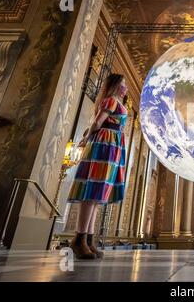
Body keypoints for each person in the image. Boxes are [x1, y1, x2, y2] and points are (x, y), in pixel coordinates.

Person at [67, 73, 128, 259]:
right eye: (123, 84)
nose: (125, 88)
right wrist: (86, 137)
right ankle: (79, 240)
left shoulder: (116, 102)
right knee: (92, 191)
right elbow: (97, 122)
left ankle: (88, 240)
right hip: (105, 144)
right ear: (116, 85)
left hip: (112, 144)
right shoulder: (110, 101)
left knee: (97, 194)